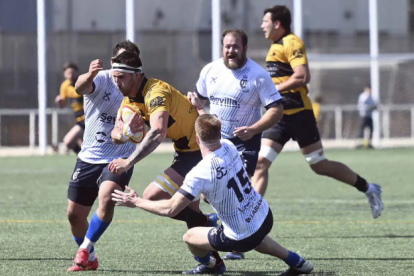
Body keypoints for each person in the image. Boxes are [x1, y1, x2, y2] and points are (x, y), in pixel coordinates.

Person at [111, 114, 314, 276]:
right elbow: (211, 130)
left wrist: (136, 201)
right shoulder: (229, 145)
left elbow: (171, 208)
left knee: (190, 236)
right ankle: (298, 262)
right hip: (264, 215)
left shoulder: (200, 172)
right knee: (256, 236)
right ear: (219, 133)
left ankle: (211, 265)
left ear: (197, 138)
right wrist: (201, 110)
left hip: (241, 235)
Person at [254, 5, 383, 219]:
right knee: (261, 163)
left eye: (265, 21)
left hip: (299, 114)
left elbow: (302, 76)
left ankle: (369, 188)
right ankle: (249, 221)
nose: (262, 26)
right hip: (278, 115)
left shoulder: (292, 42)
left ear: (277, 23)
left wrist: (272, 90)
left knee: (319, 165)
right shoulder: (275, 45)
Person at [107, 51, 223, 273]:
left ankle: (209, 226)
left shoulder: (155, 92)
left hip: (197, 151)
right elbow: (115, 130)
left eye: (120, 76)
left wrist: (129, 161)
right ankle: (213, 262)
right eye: (114, 76)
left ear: (136, 75)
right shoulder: (129, 100)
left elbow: (158, 132)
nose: (116, 81)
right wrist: (123, 133)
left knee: (152, 195)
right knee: (191, 212)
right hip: (185, 151)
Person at [188, 28, 284, 260]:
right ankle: (216, 224)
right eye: (227, 46)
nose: (230, 51)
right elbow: (198, 97)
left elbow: (276, 109)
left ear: (245, 48)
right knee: (207, 196)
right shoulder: (210, 70)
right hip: (215, 141)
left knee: (231, 192)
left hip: (244, 143)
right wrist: (194, 104)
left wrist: (253, 129)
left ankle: (238, 242)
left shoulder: (258, 75)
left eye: (235, 47)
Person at [66, 40, 141, 272]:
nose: (123, 66)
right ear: (112, 61)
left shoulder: (142, 88)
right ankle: (91, 257)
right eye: (120, 60)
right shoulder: (102, 78)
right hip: (89, 155)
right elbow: (79, 87)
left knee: (106, 196)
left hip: (119, 157)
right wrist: (88, 74)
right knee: (74, 216)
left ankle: (85, 248)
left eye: (130, 60)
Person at [54, 62, 84, 154]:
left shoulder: (83, 83)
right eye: (68, 73)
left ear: (77, 73)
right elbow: (62, 105)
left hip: (88, 119)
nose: (70, 75)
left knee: (68, 140)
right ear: (64, 74)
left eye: (72, 73)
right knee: (71, 142)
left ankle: (85, 159)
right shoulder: (65, 86)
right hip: (79, 121)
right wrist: (59, 101)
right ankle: (85, 159)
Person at [357, 84, 376, 148]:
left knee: (371, 129)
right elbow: (364, 103)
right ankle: (360, 143)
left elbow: (374, 105)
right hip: (364, 115)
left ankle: (368, 143)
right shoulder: (363, 96)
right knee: (362, 130)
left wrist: (374, 107)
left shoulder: (371, 97)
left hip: (369, 116)